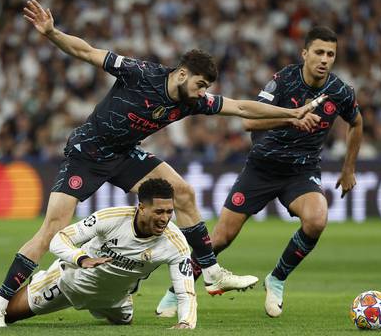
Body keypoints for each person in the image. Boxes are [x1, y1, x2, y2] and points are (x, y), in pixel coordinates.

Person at [0, 0, 318, 327]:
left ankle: (212, 272)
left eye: (206, 88)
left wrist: (291, 114)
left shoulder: (191, 101)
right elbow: (87, 52)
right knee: (52, 230)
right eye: (200, 85)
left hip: (125, 153)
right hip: (88, 152)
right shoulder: (140, 73)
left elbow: (242, 108)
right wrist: (53, 33)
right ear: (182, 74)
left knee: (182, 192)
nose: (203, 93)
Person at [155, 26, 363, 318]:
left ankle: (276, 278)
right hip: (261, 168)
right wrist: (291, 119)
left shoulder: (339, 91)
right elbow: (249, 122)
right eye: (319, 52)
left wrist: (349, 167)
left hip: (301, 172)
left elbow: (356, 122)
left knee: (317, 220)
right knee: (221, 238)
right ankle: (177, 290)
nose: (325, 59)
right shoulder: (283, 81)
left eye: (331, 54)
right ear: (305, 53)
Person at [0, 179, 197, 329]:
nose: (165, 218)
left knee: (124, 323)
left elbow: (185, 291)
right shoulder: (110, 218)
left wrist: (185, 322)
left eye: (169, 212)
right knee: (6, 312)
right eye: (159, 212)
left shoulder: (175, 243)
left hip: (115, 299)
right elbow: (59, 238)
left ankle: (113, 306)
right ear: (141, 208)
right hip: (66, 283)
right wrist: (80, 258)